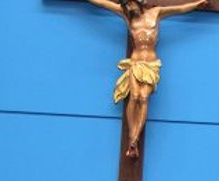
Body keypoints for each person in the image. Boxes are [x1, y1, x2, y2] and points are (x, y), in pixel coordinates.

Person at [85, 0, 208, 157]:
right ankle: (132, 138)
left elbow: (180, 9)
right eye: (126, 6)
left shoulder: (156, 13)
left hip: (151, 64)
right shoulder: (127, 16)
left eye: (130, 4)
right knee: (134, 96)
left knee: (143, 98)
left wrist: (197, 4)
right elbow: (103, 3)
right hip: (136, 63)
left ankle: (135, 138)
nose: (129, 8)